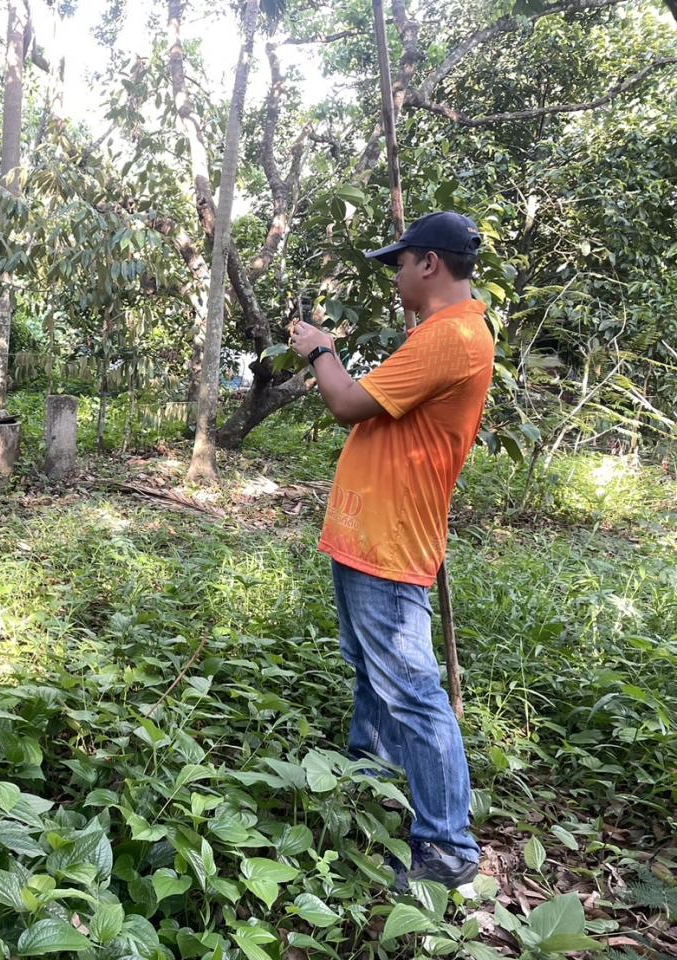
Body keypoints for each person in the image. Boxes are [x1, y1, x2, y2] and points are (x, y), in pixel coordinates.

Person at [288, 211, 493, 892]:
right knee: (373, 674)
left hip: (391, 543)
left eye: (400, 263)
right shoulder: (440, 333)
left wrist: (321, 348)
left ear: (429, 264)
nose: (396, 274)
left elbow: (346, 402)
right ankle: (366, 785)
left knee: (410, 691)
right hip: (370, 535)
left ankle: (447, 848)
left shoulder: (452, 337)